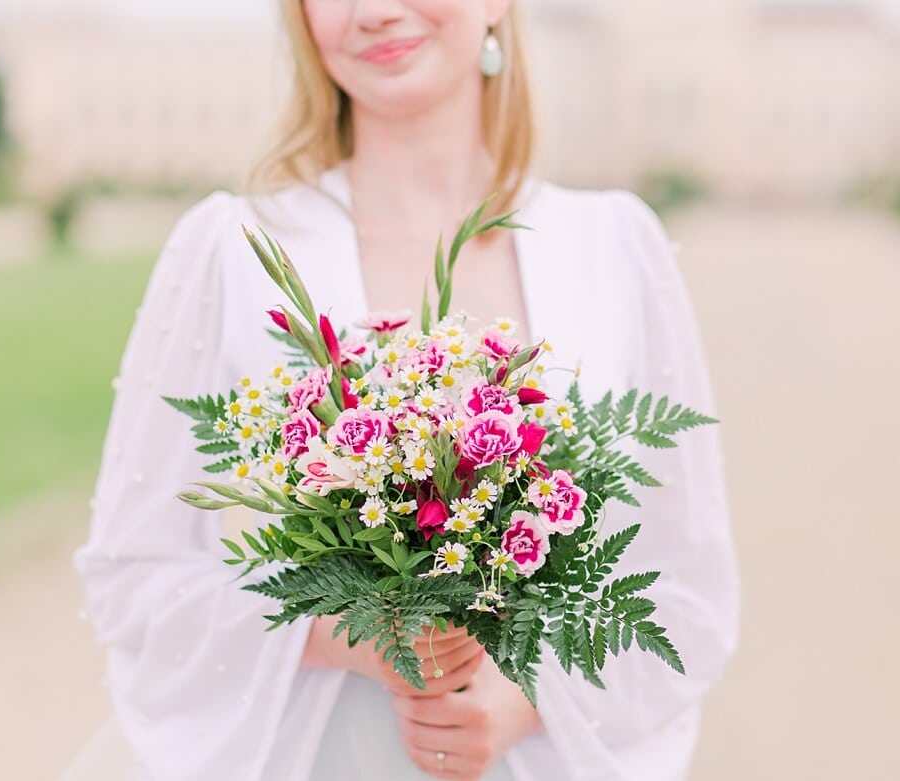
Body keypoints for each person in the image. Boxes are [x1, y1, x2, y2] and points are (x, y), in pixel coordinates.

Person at [67, 1, 740, 779]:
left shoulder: (619, 246)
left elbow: (689, 593)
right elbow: (132, 578)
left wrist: (525, 703)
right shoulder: (230, 250)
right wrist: (352, 635)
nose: (376, 11)